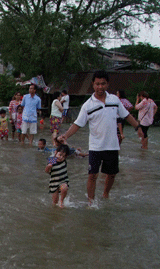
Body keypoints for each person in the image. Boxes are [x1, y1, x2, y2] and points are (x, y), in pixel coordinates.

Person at [58, 70, 141, 206]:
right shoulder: (88, 105)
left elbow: (126, 115)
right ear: (93, 84)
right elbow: (78, 124)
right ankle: (91, 202)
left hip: (112, 145)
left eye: (103, 84)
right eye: (97, 84)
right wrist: (65, 135)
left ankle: (105, 194)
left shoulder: (114, 100)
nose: (100, 87)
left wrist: (138, 128)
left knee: (112, 174)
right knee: (92, 175)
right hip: (96, 146)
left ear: (107, 84)